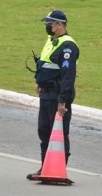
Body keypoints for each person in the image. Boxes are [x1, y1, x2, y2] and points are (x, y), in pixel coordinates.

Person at [27, 10, 80, 180]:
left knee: (58, 134)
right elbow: (44, 64)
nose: (46, 26)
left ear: (59, 25)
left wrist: (62, 100)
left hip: (57, 96)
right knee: (44, 131)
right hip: (46, 94)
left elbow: (68, 75)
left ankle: (58, 169)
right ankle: (45, 167)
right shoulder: (52, 41)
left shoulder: (68, 46)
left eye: (49, 24)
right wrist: (38, 81)